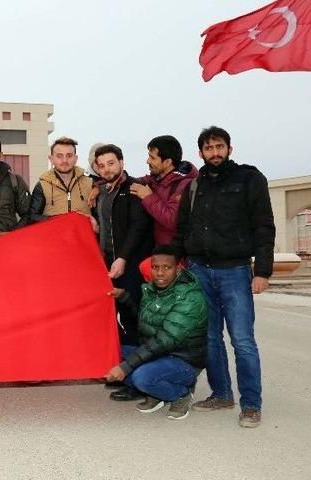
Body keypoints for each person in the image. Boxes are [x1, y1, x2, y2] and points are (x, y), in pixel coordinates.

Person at [174, 126, 275, 428]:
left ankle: (251, 404)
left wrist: (263, 271)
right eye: (208, 148)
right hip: (199, 271)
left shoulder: (249, 178)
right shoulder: (194, 186)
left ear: (229, 149)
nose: (214, 152)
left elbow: (263, 226)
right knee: (209, 337)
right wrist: (178, 263)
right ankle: (221, 394)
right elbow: (182, 229)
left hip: (235, 271)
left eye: (220, 146)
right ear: (201, 153)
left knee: (242, 340)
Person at [105, 245, 208, 420]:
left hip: (184, 360)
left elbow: (164, 339)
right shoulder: (153, 289)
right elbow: (148, 320)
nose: (160, 273)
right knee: (110, 352)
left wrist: (125, 367)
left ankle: (181, 393)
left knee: (141, 377)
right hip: (159, 354)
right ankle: (157, 392)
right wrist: (125, 298)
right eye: (155, 267)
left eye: (166, 268)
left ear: (178, 269)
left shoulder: (190, 298)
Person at [92, 144, 154, 392]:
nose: (107, 169)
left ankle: (136, 379)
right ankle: (122, 370)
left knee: (132, 318)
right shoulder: (101, 190)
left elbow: (138, 228)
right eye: (102, 165)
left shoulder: (134, 188)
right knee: (111, 319)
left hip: (130, 266)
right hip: (107, 265)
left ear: (121, 163)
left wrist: (124, 259)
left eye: (111, 163)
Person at [129, 135, 198, 246]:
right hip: (157, 252)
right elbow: (128, 182)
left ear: (167, 162)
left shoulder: (184, 184)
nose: (148, 161)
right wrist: (99, 185)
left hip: (175, 256)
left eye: (152, 158)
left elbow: (173, 221)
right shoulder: (155, 178)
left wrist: (148, 197)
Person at [28, 136, 95, 224]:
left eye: (69, 156)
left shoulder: (90, 182)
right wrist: (62, 220)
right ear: (51, 159)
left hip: (83, 236)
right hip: (54, 236)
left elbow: (101, 215)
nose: (64, 160)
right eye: (59, 156)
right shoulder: (42, 185)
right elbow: (32, 216)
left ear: (76, 158)